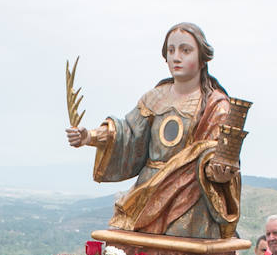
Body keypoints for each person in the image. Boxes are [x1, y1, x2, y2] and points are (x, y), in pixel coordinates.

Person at [66, 22, 240, 239]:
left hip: (189, 195)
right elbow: (127, 132)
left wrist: (218, 170)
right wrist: (89, 136)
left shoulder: (216, 105)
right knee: (125, 237)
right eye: (171, 50)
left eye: (185, 50)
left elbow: (218, 156)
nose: (176, 57)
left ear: (202, 57)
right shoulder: (155, 97)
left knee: (181, 236)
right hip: (148, 189)